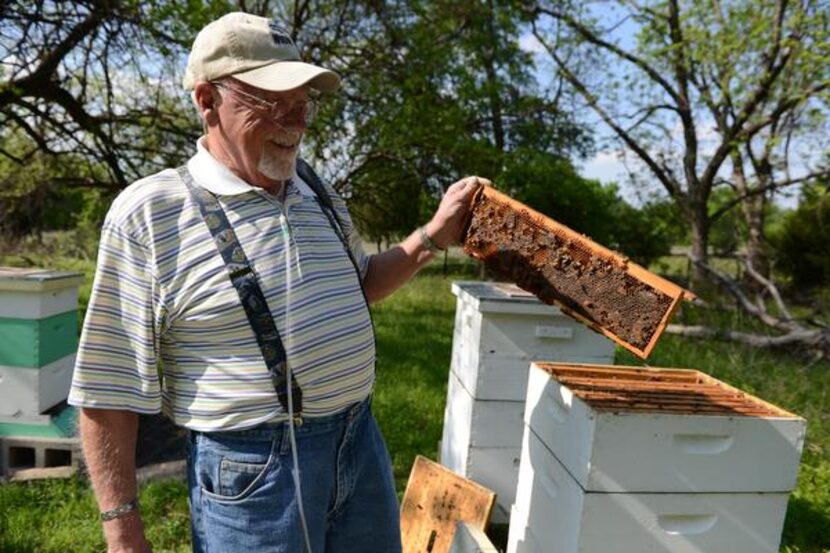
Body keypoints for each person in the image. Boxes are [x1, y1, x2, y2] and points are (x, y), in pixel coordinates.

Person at [68, 11, 487, 553]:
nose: (297, 120)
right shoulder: (150, 214)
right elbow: (108, 386)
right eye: (271, 100)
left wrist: (431, 236)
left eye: (304, 100)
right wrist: (122, 531)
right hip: (253, 478)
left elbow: (358, 285)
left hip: (359, 441)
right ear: (206, 100)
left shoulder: (316, 187)